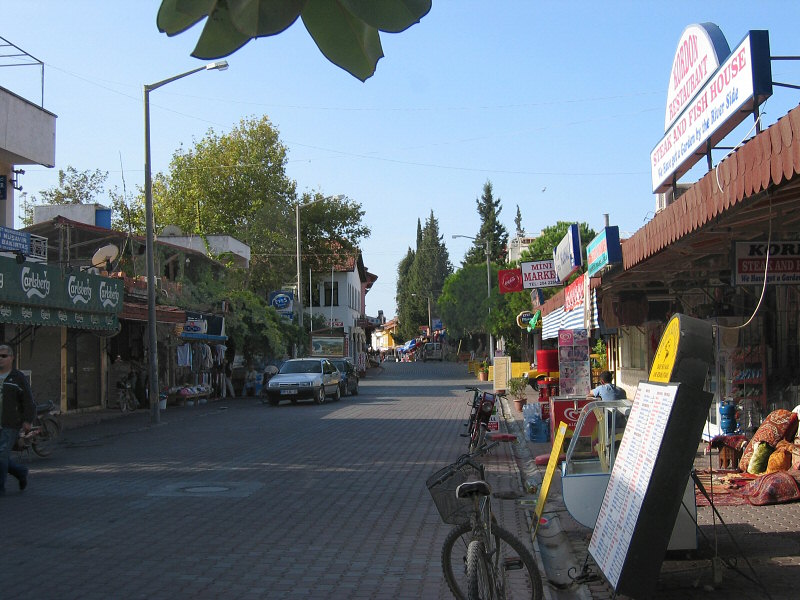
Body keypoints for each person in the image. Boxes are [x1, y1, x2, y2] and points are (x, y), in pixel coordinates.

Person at [0, 344, 35, 495]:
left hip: (9, 424)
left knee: (1, 455)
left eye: (3, 356)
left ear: (12, 358)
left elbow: (28, 401)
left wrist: (27, 420)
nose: (0, 359)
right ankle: (21, 472)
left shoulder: (18, 377)